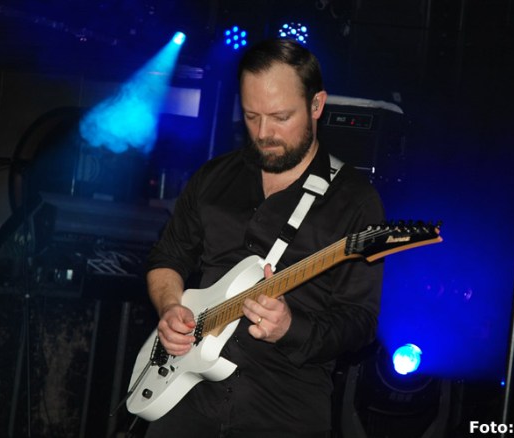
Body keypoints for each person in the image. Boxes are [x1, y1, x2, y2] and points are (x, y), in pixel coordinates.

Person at [144, 38, 386, 438]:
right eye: (251, 116)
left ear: (316, 105)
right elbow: (166, 257)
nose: (263, 132)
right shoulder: (213, 178)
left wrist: (291, 327)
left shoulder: (355, 201)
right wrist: (170, 307)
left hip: (283, 412)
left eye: (280, 117)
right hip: (183, 402)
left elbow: (360, 321)